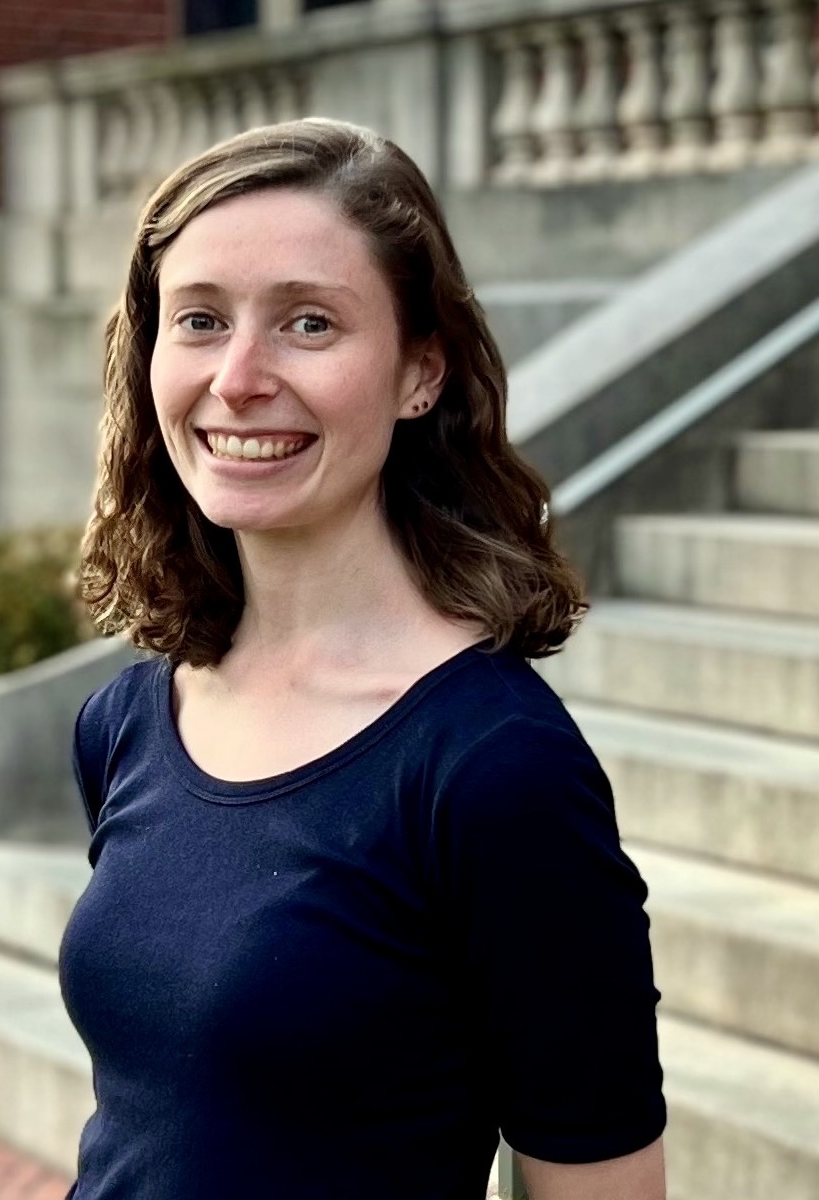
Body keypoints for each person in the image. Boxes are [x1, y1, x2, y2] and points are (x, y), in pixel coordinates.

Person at [60, 118, 666, 1200]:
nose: (238, 378)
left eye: (307, 323)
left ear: (419, 372)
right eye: (199, 320)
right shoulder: (128, 722)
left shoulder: (496, 770)